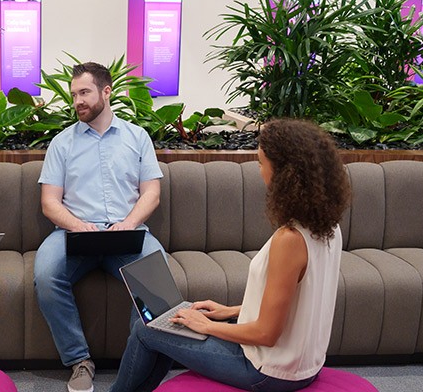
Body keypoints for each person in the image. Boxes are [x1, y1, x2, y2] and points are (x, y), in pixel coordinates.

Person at [111, 119, 351, 392]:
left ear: (285, 173)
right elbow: (296, 303)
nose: (259, 171)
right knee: (173, 322)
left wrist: (206, 326)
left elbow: (266, 334)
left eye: (261, 163)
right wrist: (231, 311)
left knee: (146, 330)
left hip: (268, 371)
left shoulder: (290, 240)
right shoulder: (328, 227)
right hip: (303, 364)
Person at [35, 61, 167, 392]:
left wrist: (129, 224)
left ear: (106, 92)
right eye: (74, 94)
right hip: (73, 233)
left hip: (128, 231)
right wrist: (78, 226)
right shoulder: (62, 143)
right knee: (46, 276)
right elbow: (50, 202)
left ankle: (137, 363)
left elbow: (152, 193)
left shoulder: (137, 137)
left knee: (157, 278)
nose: (77, 100)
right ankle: (79, 361)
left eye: (84, 92)